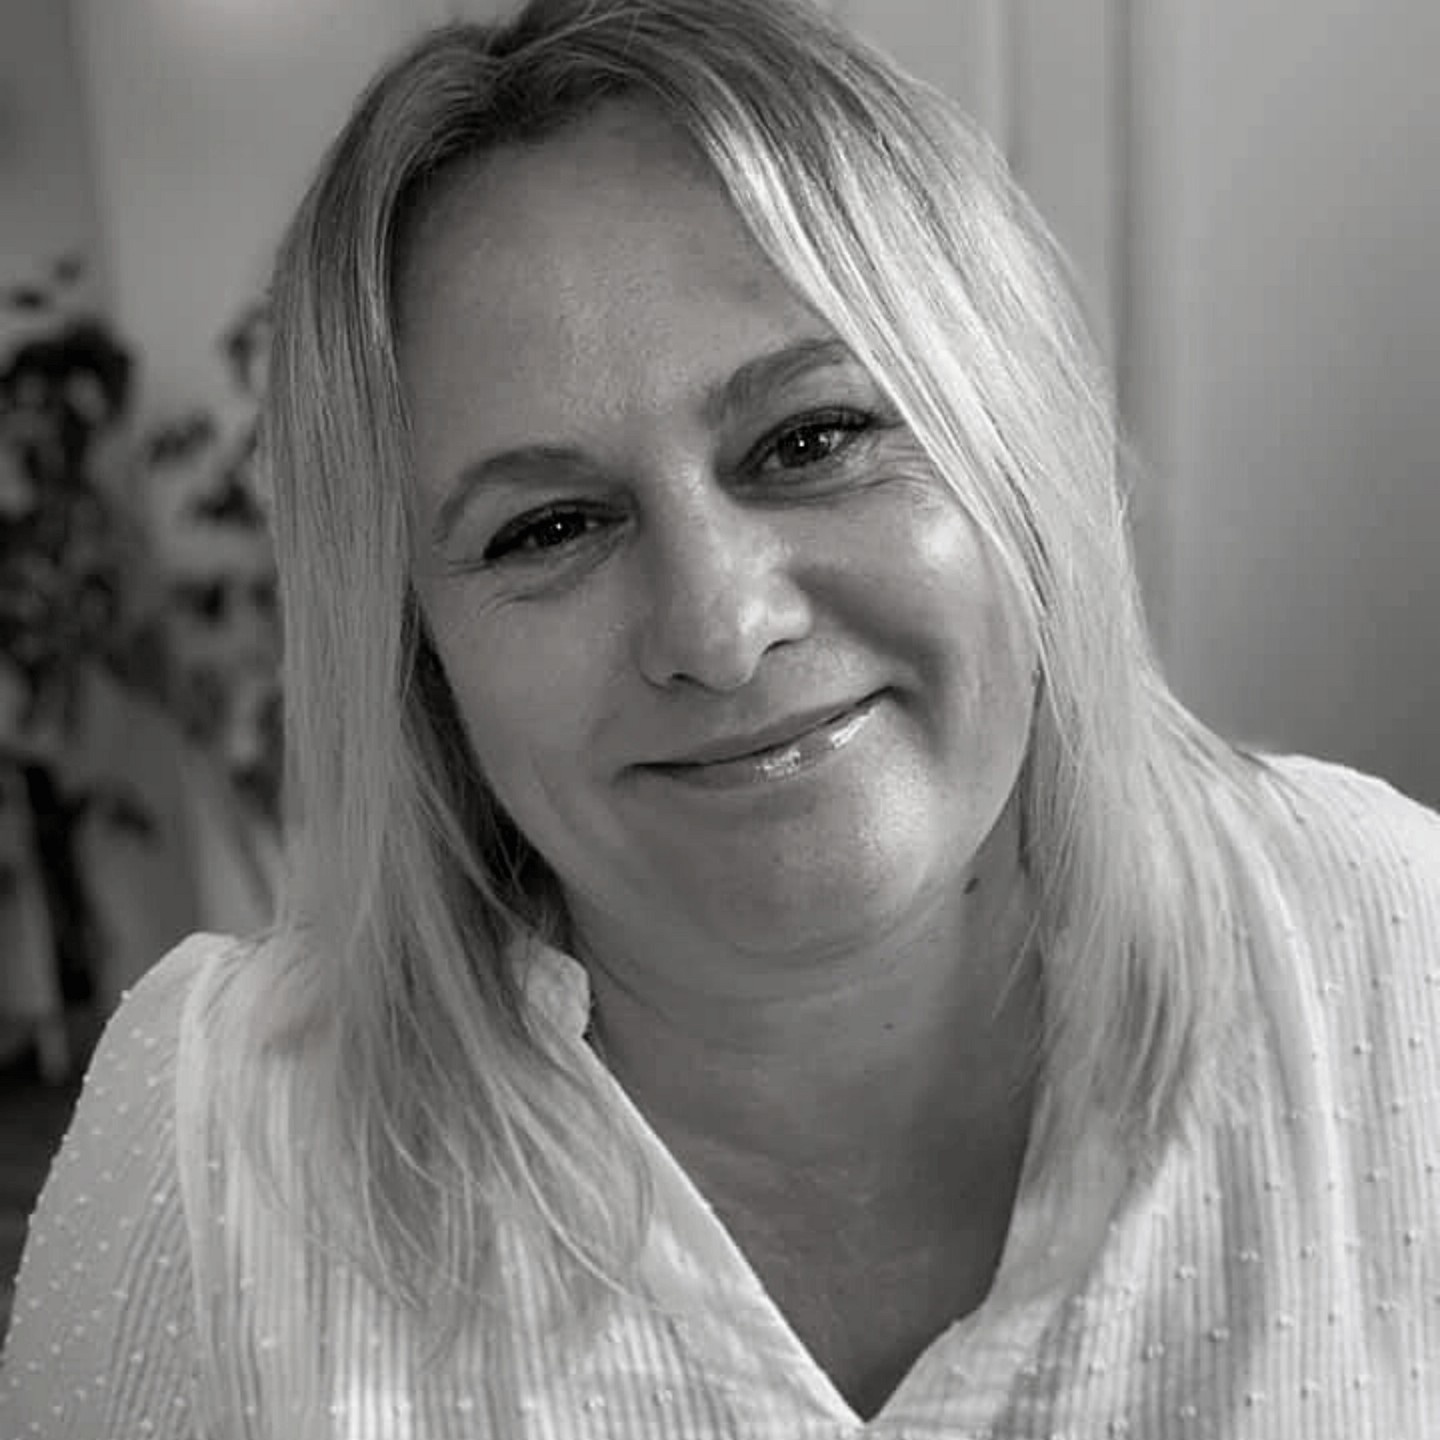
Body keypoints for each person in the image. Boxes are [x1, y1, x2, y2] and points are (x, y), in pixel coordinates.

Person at [3, 0, 1438, 1433]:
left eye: (812, 438)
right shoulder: (216, 1155)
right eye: (548, 526)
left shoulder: (1385, 959)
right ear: (416, 655)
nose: (719, 627)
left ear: (1015, 444)